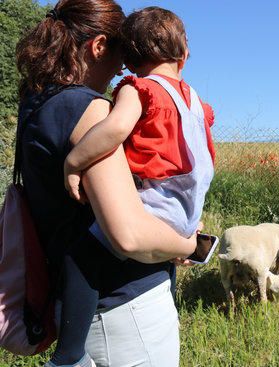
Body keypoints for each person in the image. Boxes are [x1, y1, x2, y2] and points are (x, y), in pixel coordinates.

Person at [15, 0, 202, 366]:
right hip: (124, 313)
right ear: (99, 46)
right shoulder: (91, 112)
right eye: (121, 51)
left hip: (75, 306)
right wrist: (188, 242)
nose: (123, 67)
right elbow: (128, 234)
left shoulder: (37, 105)